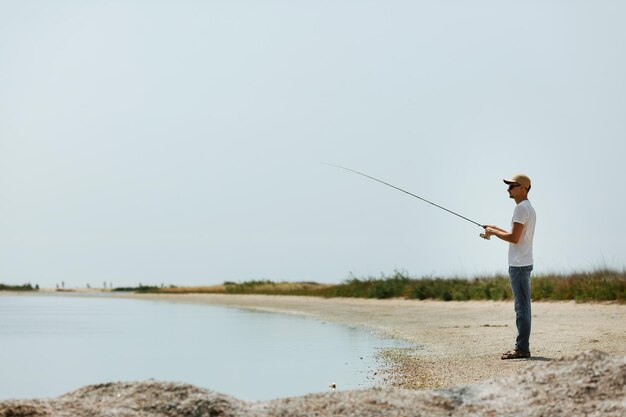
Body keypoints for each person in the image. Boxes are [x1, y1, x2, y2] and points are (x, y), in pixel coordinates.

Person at [485, 174, 536, 359]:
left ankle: (522, 348)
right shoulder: (527, 208)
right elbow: (517, 235)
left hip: (519, 264)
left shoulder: (521, 209)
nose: (508, 189)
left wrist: (493, 233)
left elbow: (514, 238)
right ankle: (521, 346)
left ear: (522, 188)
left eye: (512, 186)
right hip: (522, 263)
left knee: (521, 308)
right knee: (523, 307)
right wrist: (495, 228)